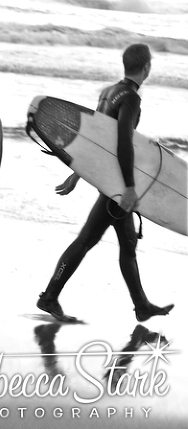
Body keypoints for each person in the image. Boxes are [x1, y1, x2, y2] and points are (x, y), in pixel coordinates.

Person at [37, 43, 174, 323]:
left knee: (126, 245)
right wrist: (129, 187)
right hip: (116, 185)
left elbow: (94, 138)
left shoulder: (109, 93)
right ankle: (49, 296)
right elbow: (123, 141)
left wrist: (79, 172)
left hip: (107, 181)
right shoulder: (131, 99)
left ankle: (142, 306)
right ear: (146, 68)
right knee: (89, 240)